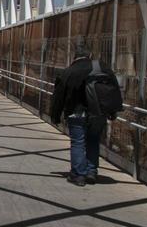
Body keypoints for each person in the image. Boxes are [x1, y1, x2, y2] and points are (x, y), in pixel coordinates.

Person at [50, 40, 117, 186]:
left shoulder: (69, 71)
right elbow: (114, 89)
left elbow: (59, 96)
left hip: (76, 113)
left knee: (78, 142)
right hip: (98, 113)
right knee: (93, 140)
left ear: (75, 57)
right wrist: (113, 111)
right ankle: (91, 171)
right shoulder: (102, 68)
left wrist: (55, 115)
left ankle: (78, 175)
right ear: (90, 55)